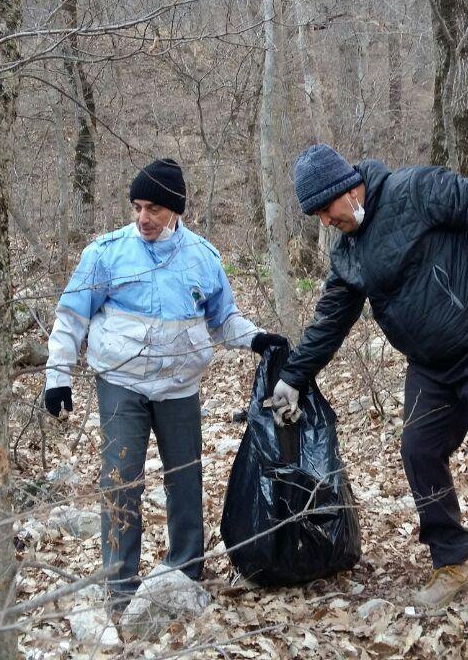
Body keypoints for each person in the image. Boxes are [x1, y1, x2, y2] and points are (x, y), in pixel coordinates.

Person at [268, 144, 468, 624]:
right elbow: (330, 320)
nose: (323, 221)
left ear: (349, 188)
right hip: (432, 363)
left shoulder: (416, 190)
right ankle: (453, 562)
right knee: (419, 449)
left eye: (325, 208)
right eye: (314, 213)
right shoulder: (348, 256)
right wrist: (292, 379)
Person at [42, 158, 287, 606]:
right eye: (137, 207)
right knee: (121, 479)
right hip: (121, 383)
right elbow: (71, 317)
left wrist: (257, 338)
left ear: (175, 209)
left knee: (184, 477)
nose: (143, 218)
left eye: (154, 208)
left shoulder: (202, 257)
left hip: (179, 387)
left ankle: (185, 573)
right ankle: (120, 587)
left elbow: (222, 319)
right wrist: (57, 377)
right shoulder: (105, 253)